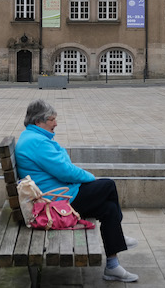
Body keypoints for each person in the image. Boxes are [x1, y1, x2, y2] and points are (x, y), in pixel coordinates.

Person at [15, 99, 139, 283]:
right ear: (38, 121)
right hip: (57, 202)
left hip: (58, 195)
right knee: (108, 185)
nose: (55, 123)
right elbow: (65, 171)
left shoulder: (33, 137)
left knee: (109, 209)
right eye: (52, 119)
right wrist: (91, 177)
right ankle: (117, 241)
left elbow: (63, 165)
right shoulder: (37, 142)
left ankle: (113, 267)